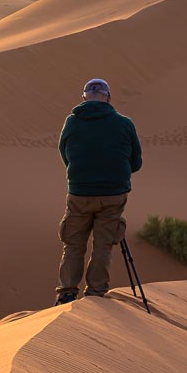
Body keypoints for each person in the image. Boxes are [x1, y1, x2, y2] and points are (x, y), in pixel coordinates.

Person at [54, 78, 142, 305]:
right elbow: (136, 163)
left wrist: (81, 174)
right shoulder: (124, 124)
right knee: (103, 245)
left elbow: (64, 154)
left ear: (84, 98)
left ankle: (67, 293)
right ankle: (95, 294)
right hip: (113, 196)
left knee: (73, 244)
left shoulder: (72, 122)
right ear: (108, 98)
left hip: (79, 194)